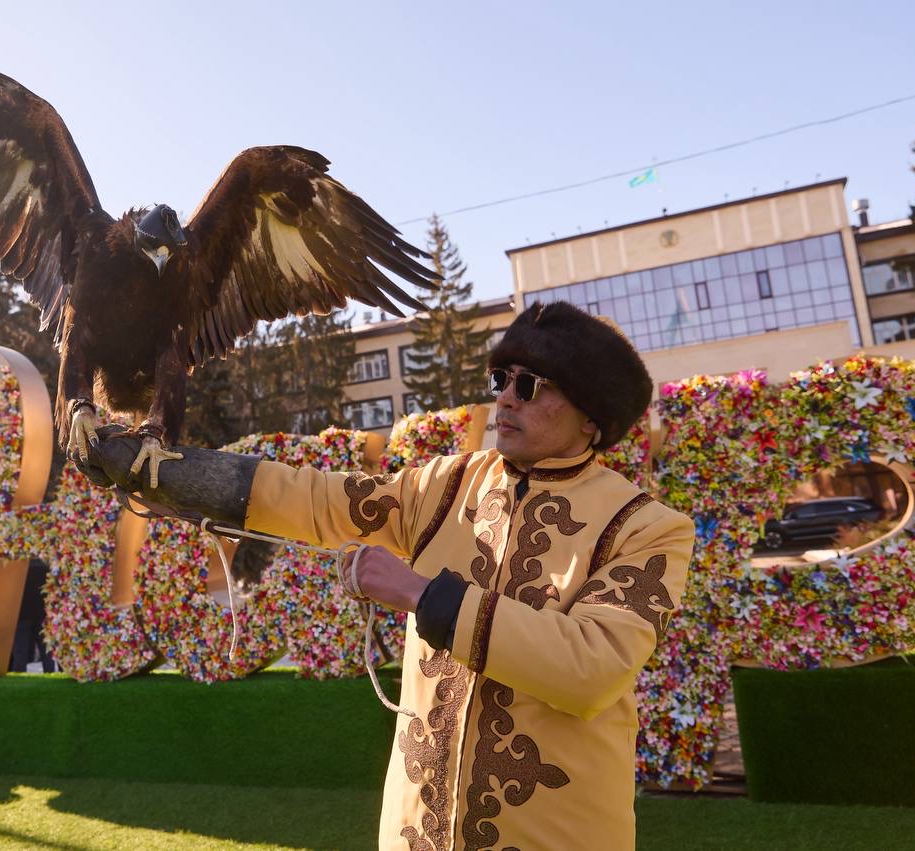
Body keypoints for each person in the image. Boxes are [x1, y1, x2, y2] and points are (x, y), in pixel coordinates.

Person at [80, 300, 694, 850]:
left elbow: (592, 668)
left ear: (593, 417)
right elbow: (323, 499)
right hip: (413, 833)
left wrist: (423, 595)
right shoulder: (447, 484)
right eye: (500, 379)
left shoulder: (647, 527)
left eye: (530, 385)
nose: (505, 397)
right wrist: (176, 474)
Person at [9, 559, 55, 673]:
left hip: (22, 614)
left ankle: (19, 677)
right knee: (46, 652)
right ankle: (50, 674)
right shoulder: (46, 566)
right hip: (42, 614)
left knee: (20, 653)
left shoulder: (15, 567)